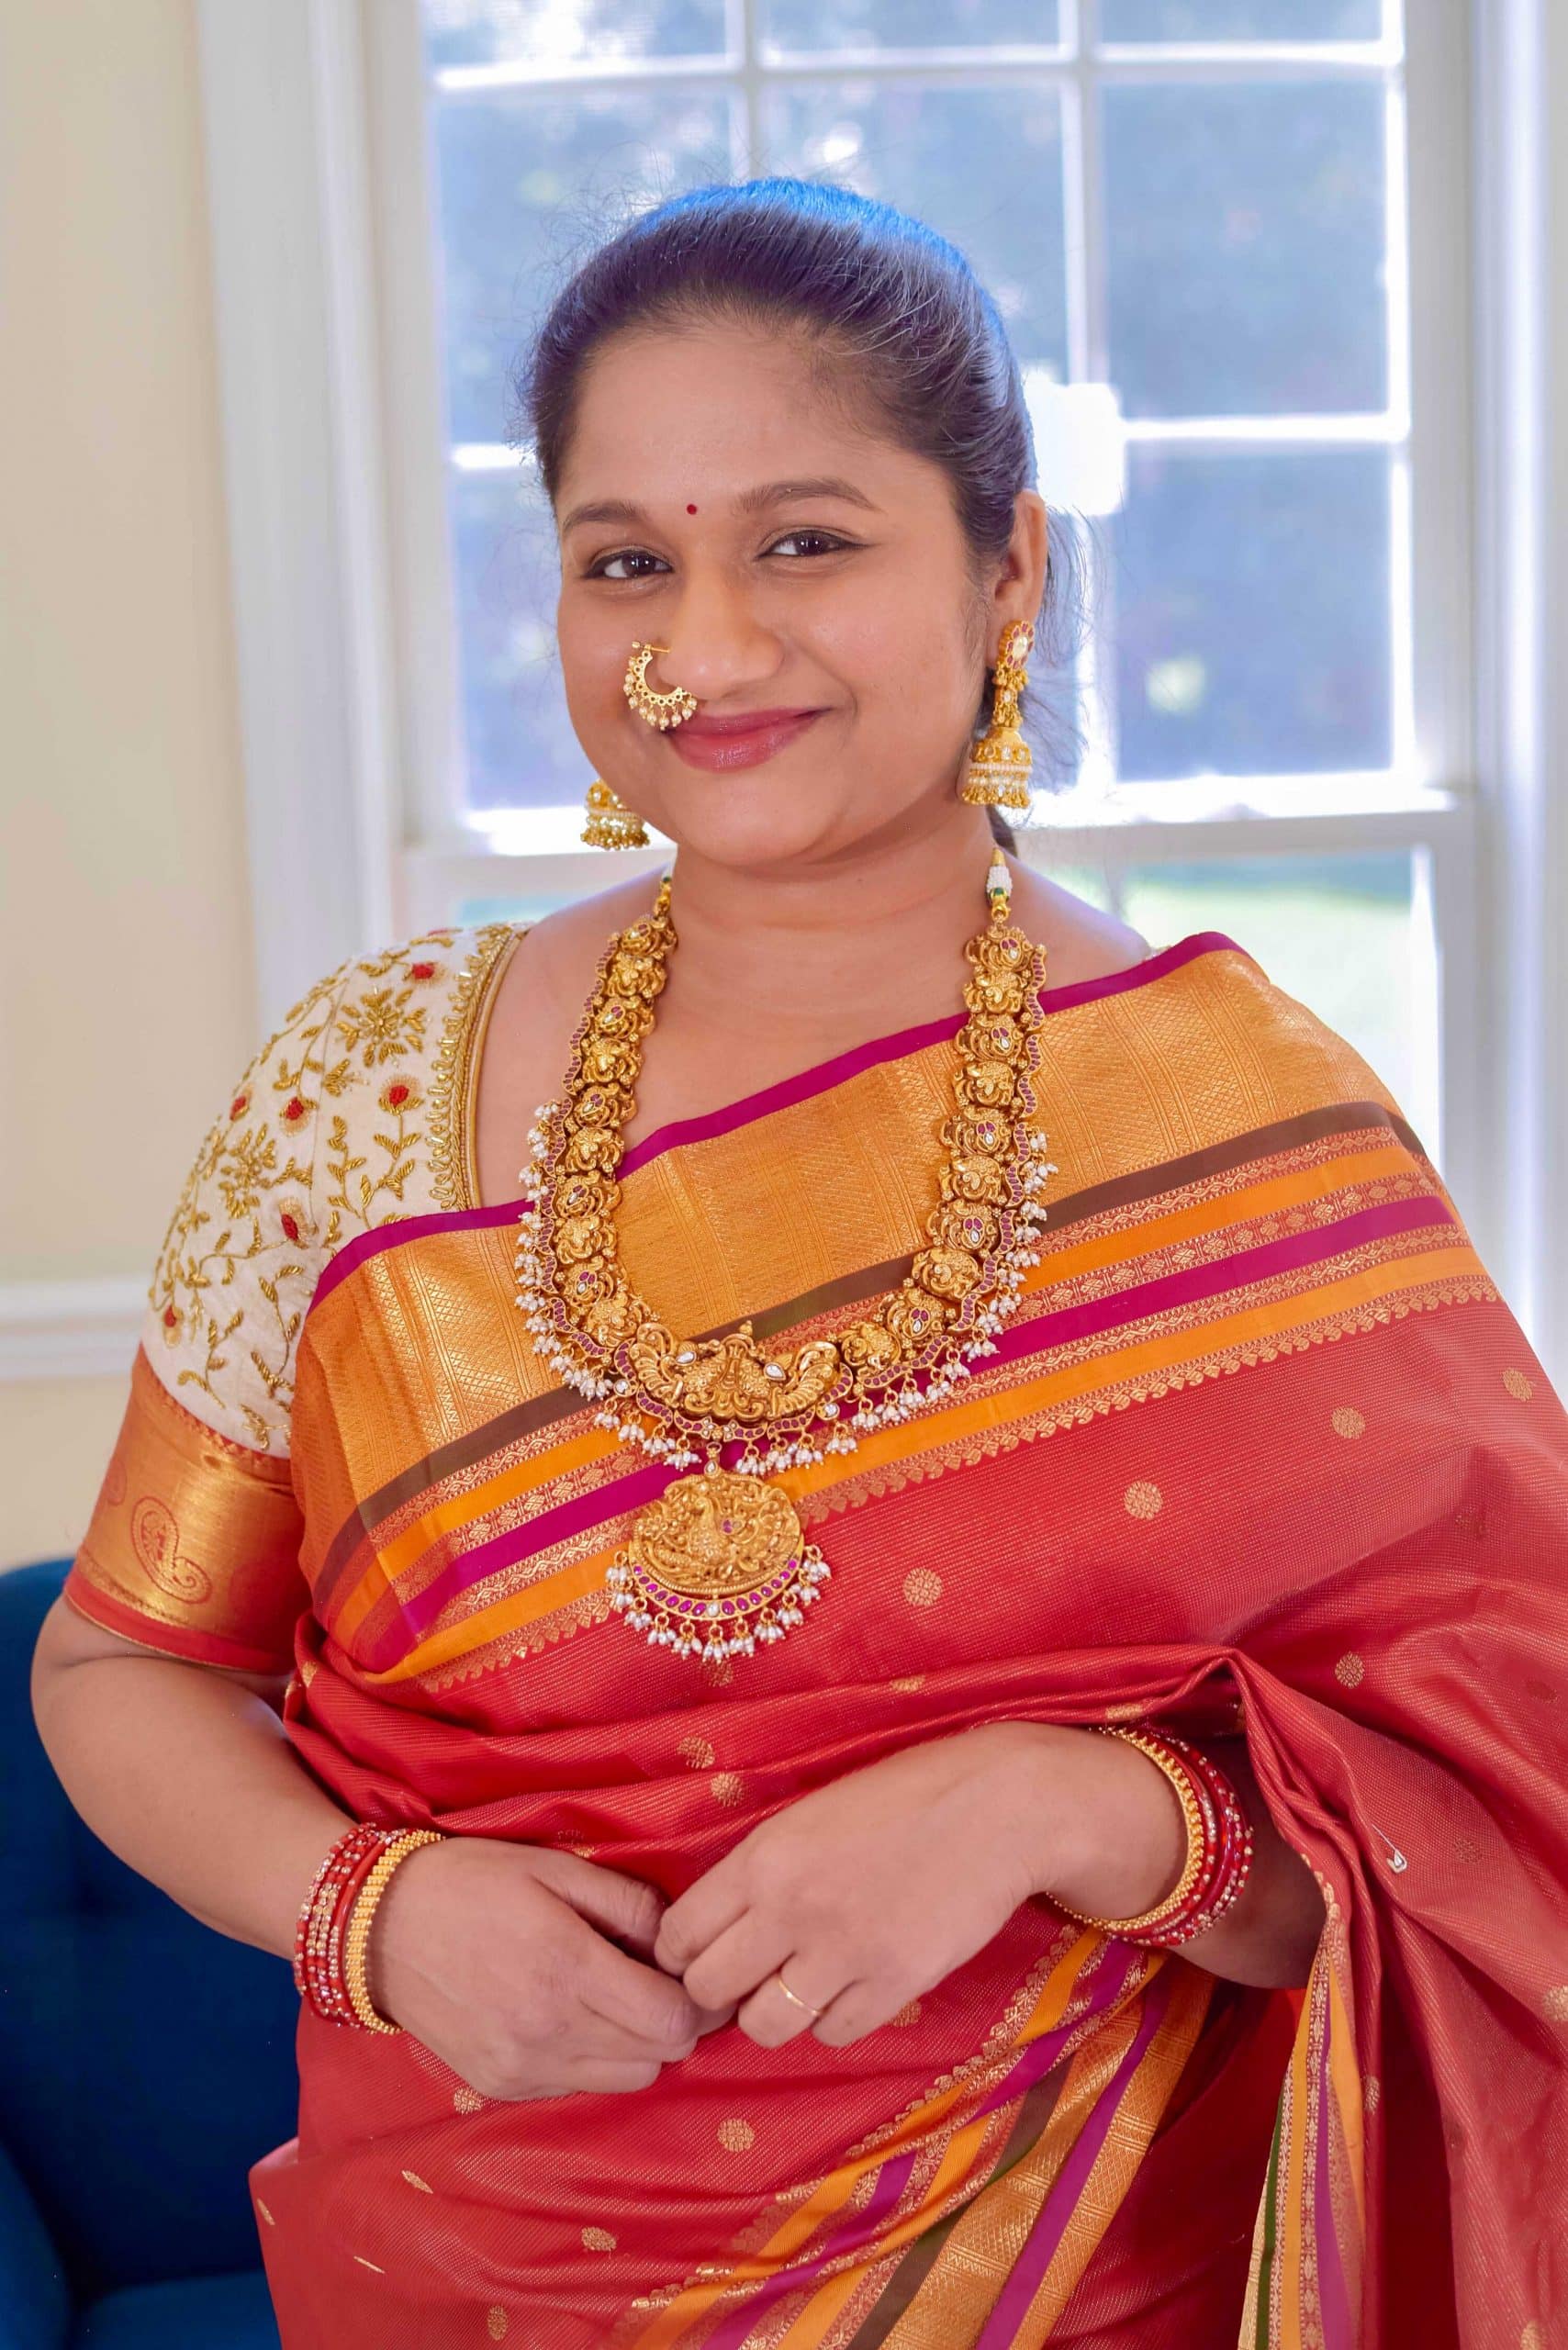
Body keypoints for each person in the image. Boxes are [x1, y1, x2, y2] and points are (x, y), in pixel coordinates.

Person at [30, 177, 1566, 2350]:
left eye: (806, 539)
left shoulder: (1239, 1129)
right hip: (471, 2263)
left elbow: (1497, 1849)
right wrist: (371, 1910)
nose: (708, 646)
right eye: (622, 559)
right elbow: (122, 1671)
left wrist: (1071, 1805)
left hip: (1076, 2278)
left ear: (1008, 562)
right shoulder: (362, 1091)